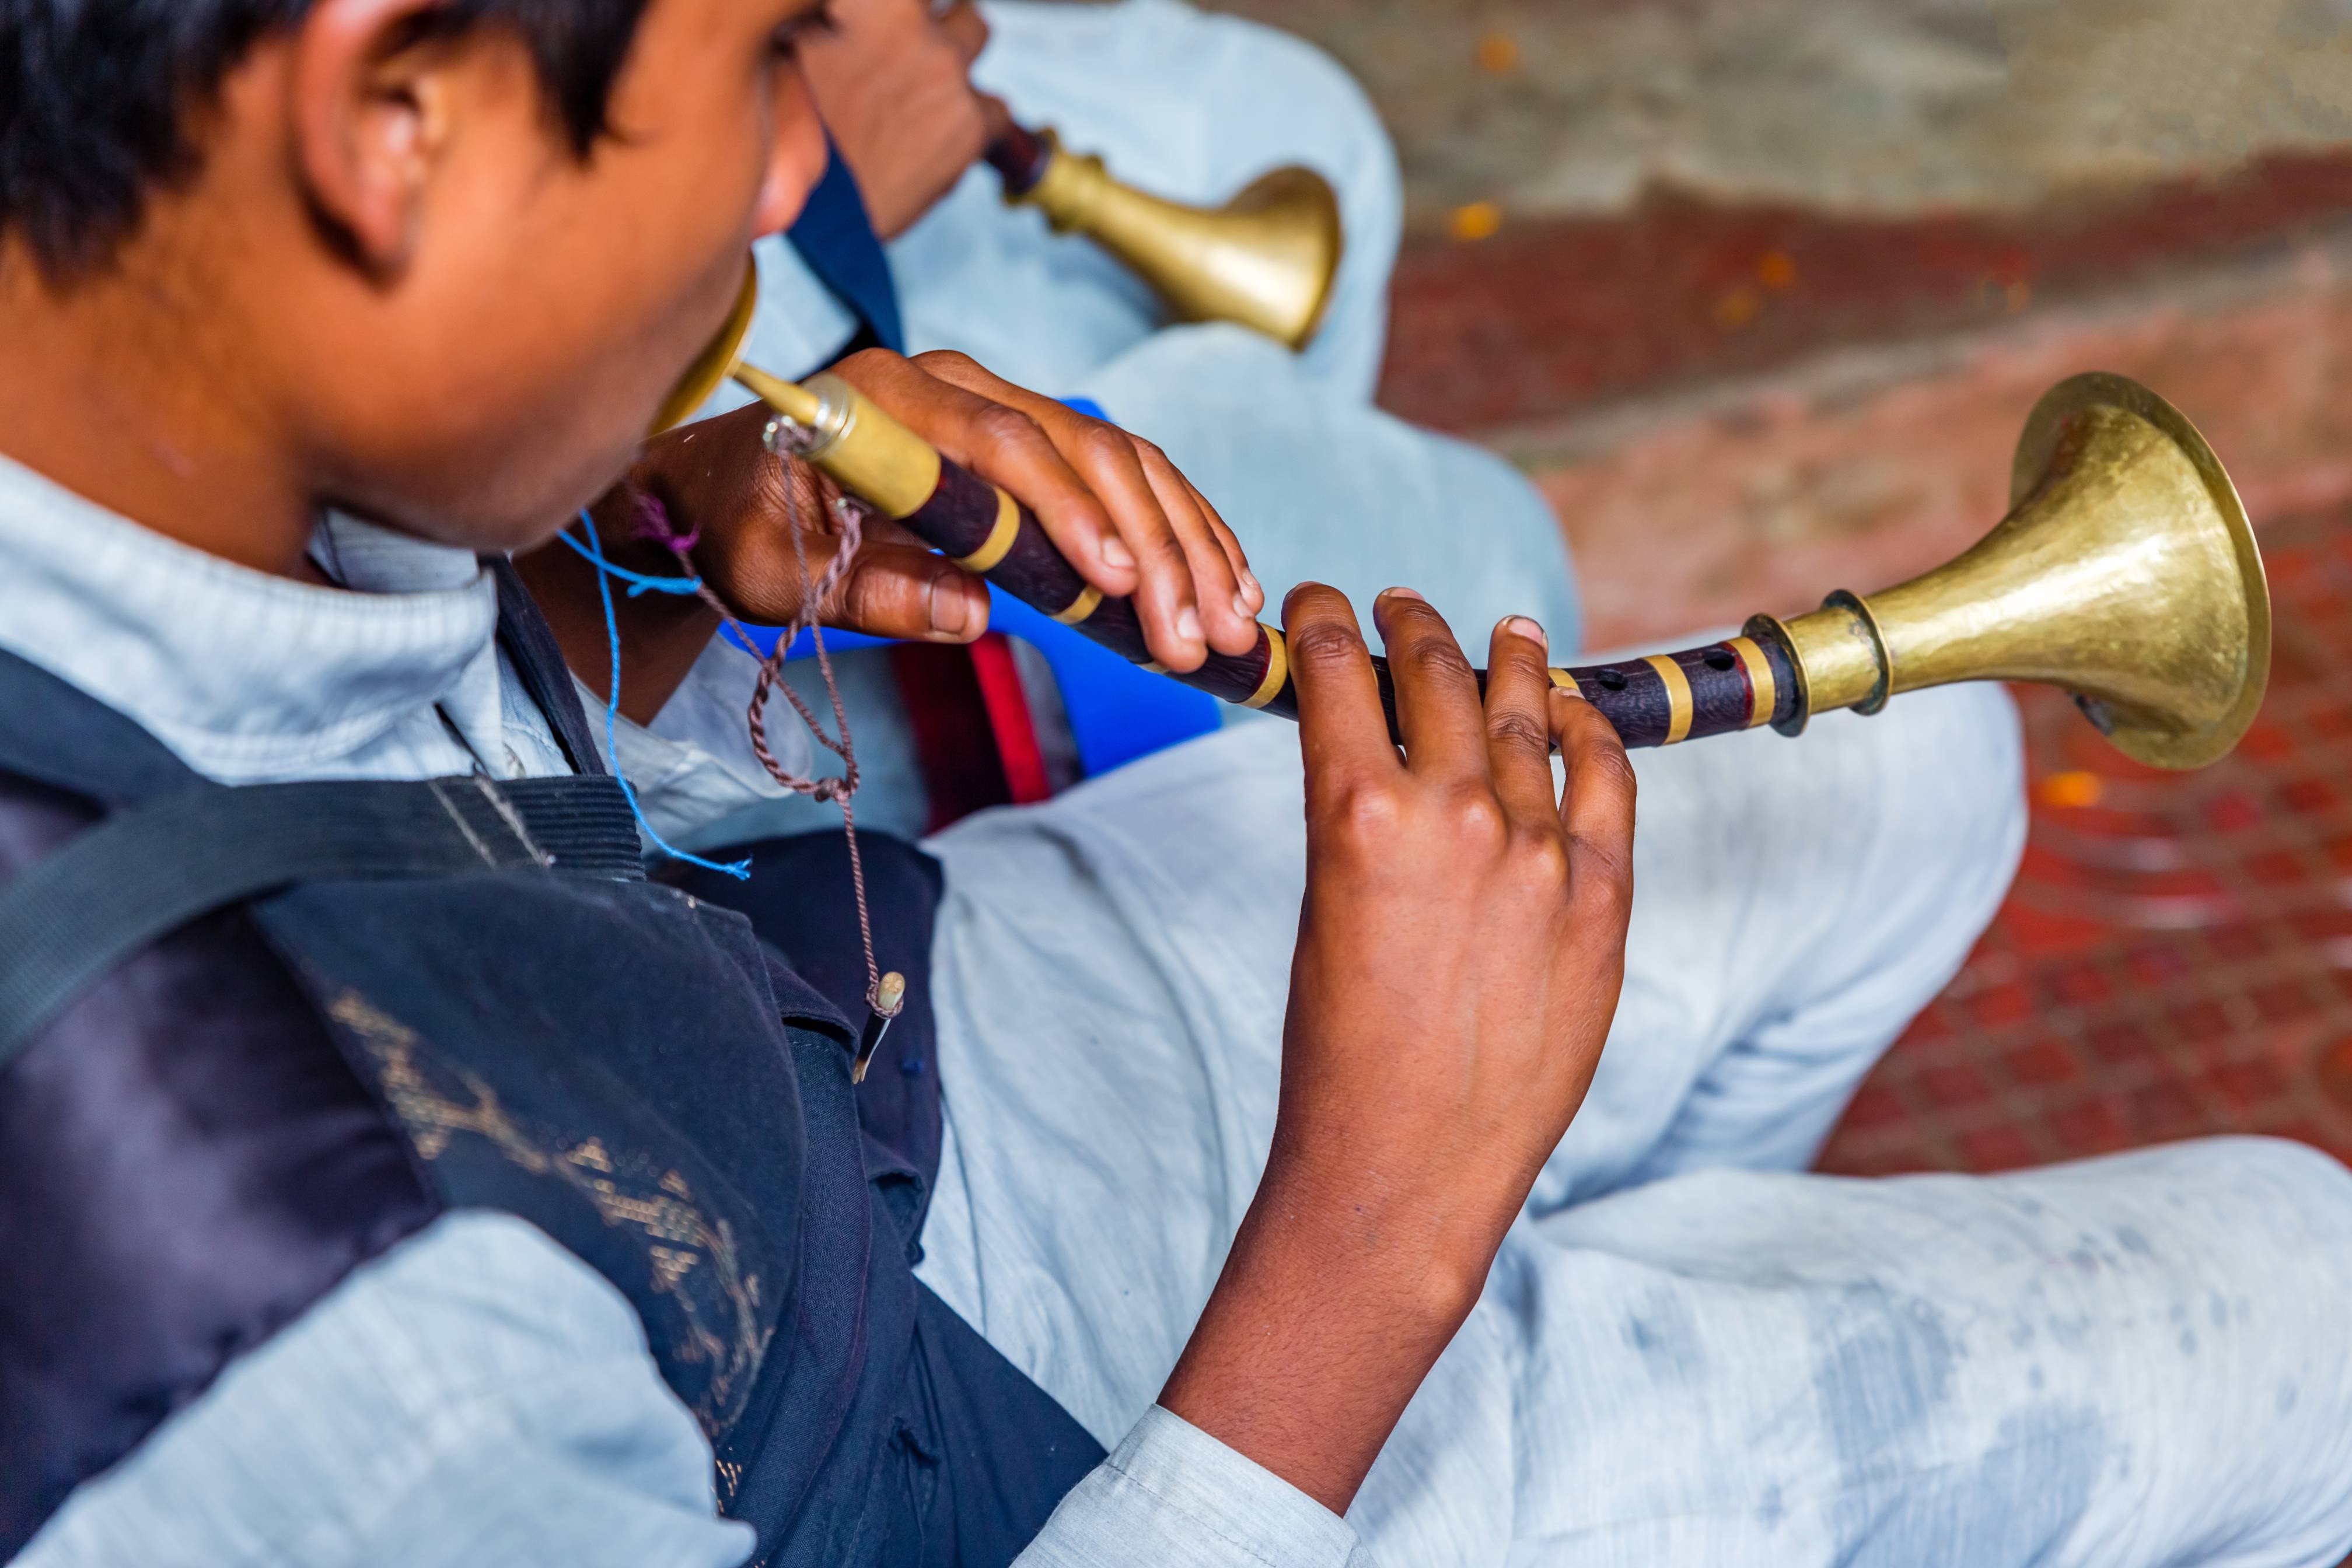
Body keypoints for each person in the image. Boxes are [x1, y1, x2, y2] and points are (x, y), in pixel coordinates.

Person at [5, 10, 2352, 1568]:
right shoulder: (275, 1359)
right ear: (388, 114)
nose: (812, 167)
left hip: (849, 1091)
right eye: (751, 67)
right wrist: (1381, 1234)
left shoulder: (131, 424)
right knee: (2310, 1296)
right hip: (1093, 1458)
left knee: (1909, 765)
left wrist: (636, 524)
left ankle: (1597, 1322)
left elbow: (362, 817)